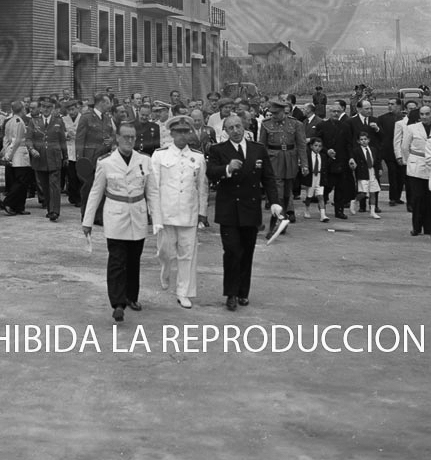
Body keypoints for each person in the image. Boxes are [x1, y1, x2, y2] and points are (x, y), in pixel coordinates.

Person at [82, 121, 158, 321]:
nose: (129, 141)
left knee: (134, 259)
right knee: (117, 260)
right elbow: (96, 192)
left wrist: (157, 219)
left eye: (133, 137)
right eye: (126, 137)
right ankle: (117, 303)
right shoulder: (106, 162)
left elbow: (152, 192)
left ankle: (131, 297)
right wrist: (87, 221)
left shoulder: (144, 160)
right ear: (117, 138)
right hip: (115, 216)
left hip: (138, 215)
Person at [207, 115, 282, 310]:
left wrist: (274, 202)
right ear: (225, 131)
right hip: (229, 209)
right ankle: (230, 293)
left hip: (250, 208)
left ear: (244, 127)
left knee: (247, 251)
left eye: (238, 126)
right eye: (230, 128)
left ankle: (242, 292)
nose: (235, 130)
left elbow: (268, 177)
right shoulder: (218, 150)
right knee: (232, 251)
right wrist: (227, 168)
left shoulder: (258, 149)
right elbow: (211, 172)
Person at [150, 116, 209, 309]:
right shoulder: (160, 155)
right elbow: (154, 188)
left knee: (187, 255)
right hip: (166, 212)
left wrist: (202, 212)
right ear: (171, 133)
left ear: (190, 133)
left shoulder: (197, 157)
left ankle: (183, 292)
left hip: (189, 212)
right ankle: (165, 269)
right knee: (165, 251)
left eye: (186, 131)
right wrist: (155, 215)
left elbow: (202, 187)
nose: (182, 135)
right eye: (179, 131)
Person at [258, 96, 307, 231]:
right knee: (277, 192)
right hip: (274, 160)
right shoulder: (266, 124)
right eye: (272, 113)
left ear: (284, 111)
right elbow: (261, 146)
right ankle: (279, 221)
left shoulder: (295, 124)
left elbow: (302, 145)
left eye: (276, 113)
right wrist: (261, 164)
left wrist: (304, 164)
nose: (274, 116)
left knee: (287, 192)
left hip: (290, 160)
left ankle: (284, 215)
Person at [27, 98, 68, 222]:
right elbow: (28, 138)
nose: (46, 109)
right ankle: (50, 208)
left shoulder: (58, 121)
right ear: (40, 108)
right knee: (44, 186)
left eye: (49, 107)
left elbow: (62, 140)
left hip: (54, 158)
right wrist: (31, 149)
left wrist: (65, 156)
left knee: (54, 185)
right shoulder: (33, 122)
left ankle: (54, 211)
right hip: (39, 158)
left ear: (53, 108)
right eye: (44, 107)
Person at [75, 93, 114, 218]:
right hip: (90, 158)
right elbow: (80, 139)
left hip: (105, 157)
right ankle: (86, 215)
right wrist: (80, 160)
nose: (110, 105)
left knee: (102, 187)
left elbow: (112, 134)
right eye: (108, 102)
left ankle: (98, 215)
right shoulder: (86, 117)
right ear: (101, 103)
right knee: (88, 187)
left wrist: (111, 140)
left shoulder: (107, 118)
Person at [402, 106, 431, 236]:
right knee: (417, 198)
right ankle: (416, 227)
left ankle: (429, 228)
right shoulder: (411, 128)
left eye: (427, 114)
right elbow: (405, 147)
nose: (424, 117)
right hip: (416, 166)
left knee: (429, 199)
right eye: (422, 114)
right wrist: (408, 162)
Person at [1, 101, 33, 216]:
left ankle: (19, 206)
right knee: (22, 181)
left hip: (11, 151)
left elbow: (5, 139)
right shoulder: (19, 122)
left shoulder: (9, 121)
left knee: (19, 181)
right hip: (19, 153)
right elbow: (18, 140)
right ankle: (8, 202)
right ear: (22, 109)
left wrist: (6, 152)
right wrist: (10, 154)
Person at [350, 132, 382, 219]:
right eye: (361, 139)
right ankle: (355, 201)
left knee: (373, 193)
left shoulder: (373, 149)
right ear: (358, 141)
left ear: (368, 140)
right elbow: (352, 159)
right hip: (363, 173)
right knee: (363, 193)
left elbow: (377, 160)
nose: (363, 141)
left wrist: (379, 169)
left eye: (365, 139)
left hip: (372, 172)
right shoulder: (356, 151)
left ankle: (372, 211)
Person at [301, 136, 329, 222]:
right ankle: (307, 209)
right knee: (309, 196)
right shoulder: (308, 155)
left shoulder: (323, 156)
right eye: (316, 145)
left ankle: (323, 215)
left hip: (320, 177)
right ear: (311, 146)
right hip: (311, 177)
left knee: (320, 196)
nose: (318, 148)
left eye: (320, 146)